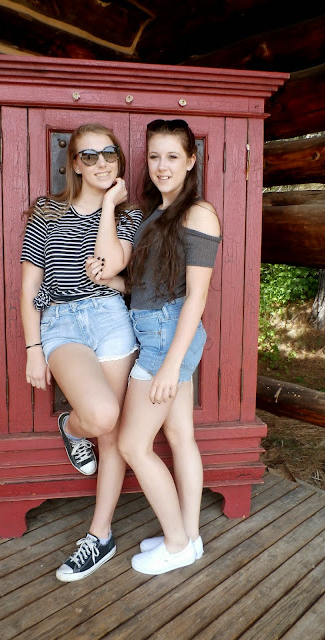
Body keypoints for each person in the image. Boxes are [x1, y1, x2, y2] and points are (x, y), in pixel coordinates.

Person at [86, 119, 221, 575]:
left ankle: (177, 543)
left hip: (168, 339)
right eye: (155, 156)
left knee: (132, 444)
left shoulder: (198, 213)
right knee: (180, 436)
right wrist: (111, 280)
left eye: (173, 157)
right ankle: (190, 537)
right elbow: (145, 287)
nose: (162, 166)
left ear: (191, 161)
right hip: (158, 331)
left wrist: (170, 365)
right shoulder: (154, 215)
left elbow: (196, 296)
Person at [20, 123, 142, 581]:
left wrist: (108, 205)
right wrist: (34, 348)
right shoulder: (47, 211)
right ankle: (71, 427)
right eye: (89, 156)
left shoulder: (128, 214)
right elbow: (29, 287)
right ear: (74, 164)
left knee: (111, 434)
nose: (101, 162)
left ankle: (99, 535)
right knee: (101, 416)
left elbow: (110, 266)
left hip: (110, 317)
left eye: (109, 153)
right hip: (61, 321)